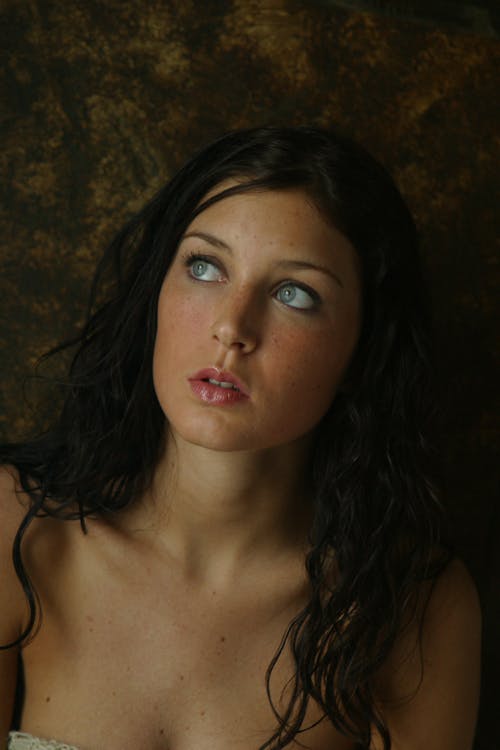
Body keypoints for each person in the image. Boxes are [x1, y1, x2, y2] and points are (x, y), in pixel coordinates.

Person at [0, 126, 481, 750]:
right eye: (204, 266)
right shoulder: (19, 529)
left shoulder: (409, 608)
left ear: (364, 353)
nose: (232, 326)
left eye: (294, 293)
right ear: (156, 290)